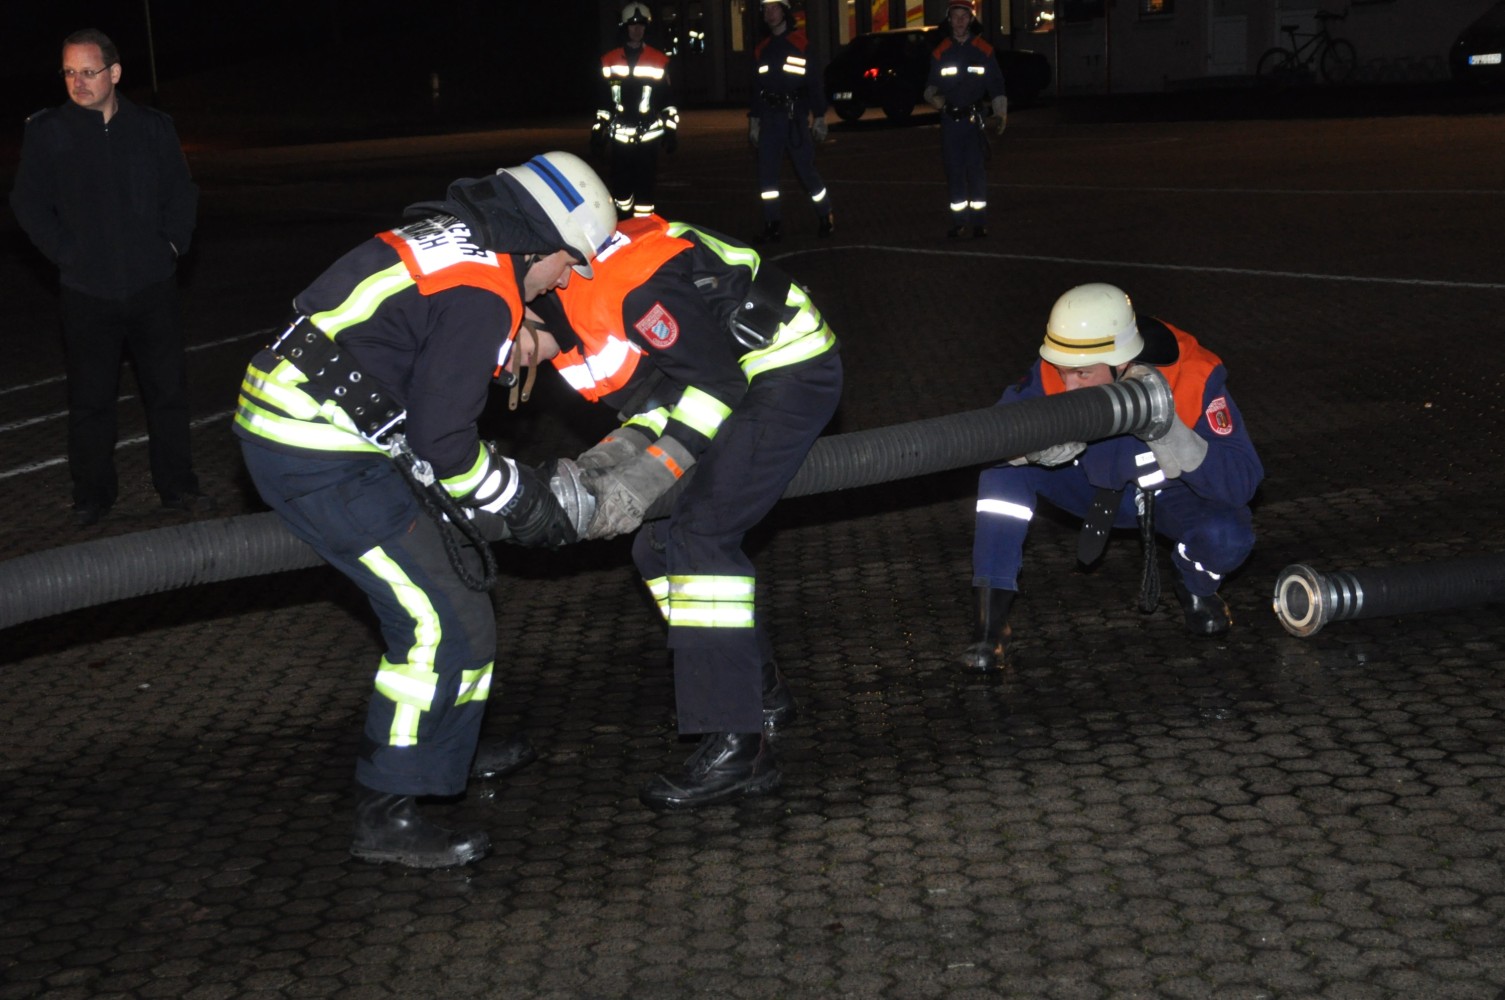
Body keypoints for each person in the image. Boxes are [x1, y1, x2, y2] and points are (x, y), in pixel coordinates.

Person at [233, 151, 617, 869]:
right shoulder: (482, 292)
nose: (566, 279)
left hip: (322, 428)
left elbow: (408, 343)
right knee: (443, 625)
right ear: (535, 241)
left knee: (462, 590)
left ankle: (446, 749)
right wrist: (519, 500)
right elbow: (446, 446)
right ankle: (390, 807)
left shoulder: (455, 238)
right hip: (315, 453)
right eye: (568, 262)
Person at [523, 213, 843, 810]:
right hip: (739, 380)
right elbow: (666, 395)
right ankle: (757, 689)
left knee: (700, 538)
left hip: (785, 372)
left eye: (510, 352)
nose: (512, 370)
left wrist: (646, 476)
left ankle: (739, 749)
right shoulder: (571, 310)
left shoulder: (629, 289)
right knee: (655, 547)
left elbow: (718, 387)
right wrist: (608, 458)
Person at [965, 283, 1263, 670]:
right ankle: (991, 623)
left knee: (1228, 536)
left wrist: (1178, 439)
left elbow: (1242, 482)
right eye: (1063, 371)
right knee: (1002, 471)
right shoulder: (1060, 366)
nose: (1069, 386)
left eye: (1082, 374)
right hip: (1089, 484)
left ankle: (1195, 584)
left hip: (1165, 494)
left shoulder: (1193, 377)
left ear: (1121, 362)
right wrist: (1029, 447)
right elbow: (997, 431)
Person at [9, 28, 202, 527]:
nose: (78, 82)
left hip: (151, 287)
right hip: (87, 292)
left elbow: (181, 193)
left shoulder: (153, 128)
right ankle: (92, 495)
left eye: (88, 71)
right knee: (90, 401)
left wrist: (170, 246)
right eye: (69, 72)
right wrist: (65, 254)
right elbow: (27, 202)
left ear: (114, 73)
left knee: (167, 393)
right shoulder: (48, 131)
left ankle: (178, 486)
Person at [749, 0, 834, 242]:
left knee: (806, 171)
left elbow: (815, 83)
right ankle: (772, 224)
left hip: (794, 117)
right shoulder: (762, 49)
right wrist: (754, 121)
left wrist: (819, 116)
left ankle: (825, 215)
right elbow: (756, 89)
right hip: (769, 118)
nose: (770, 13)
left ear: (785, 11)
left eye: (774, 7)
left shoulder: (801, 44)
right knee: (767, 176)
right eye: (765, 9)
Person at [923, 0, 1008, 239]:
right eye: (955, 16)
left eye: (964, 16)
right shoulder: (940, 51)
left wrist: (1001, 113)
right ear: (949, 20)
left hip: (974, 121)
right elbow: (930, 86)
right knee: (954, 172)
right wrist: (934, 98)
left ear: (971, 19)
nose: (959, 21)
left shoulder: (984, 50)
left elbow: (996, 85)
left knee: (976, 171)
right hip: (950, 121)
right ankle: (959, 222)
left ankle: (979, 223)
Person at [593, 2, 680, 219]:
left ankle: (644, 231)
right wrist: (598, 130)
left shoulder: (659, 60)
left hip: (648, 136)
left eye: (641, 25)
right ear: (624, 27)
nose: (637, 29)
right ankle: (624, 225)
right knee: (621, 193)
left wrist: (671, 130)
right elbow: (604, 101)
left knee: (645, 194)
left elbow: (667, 99)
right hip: (620, 138)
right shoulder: (608, 60)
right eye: (632, 25)